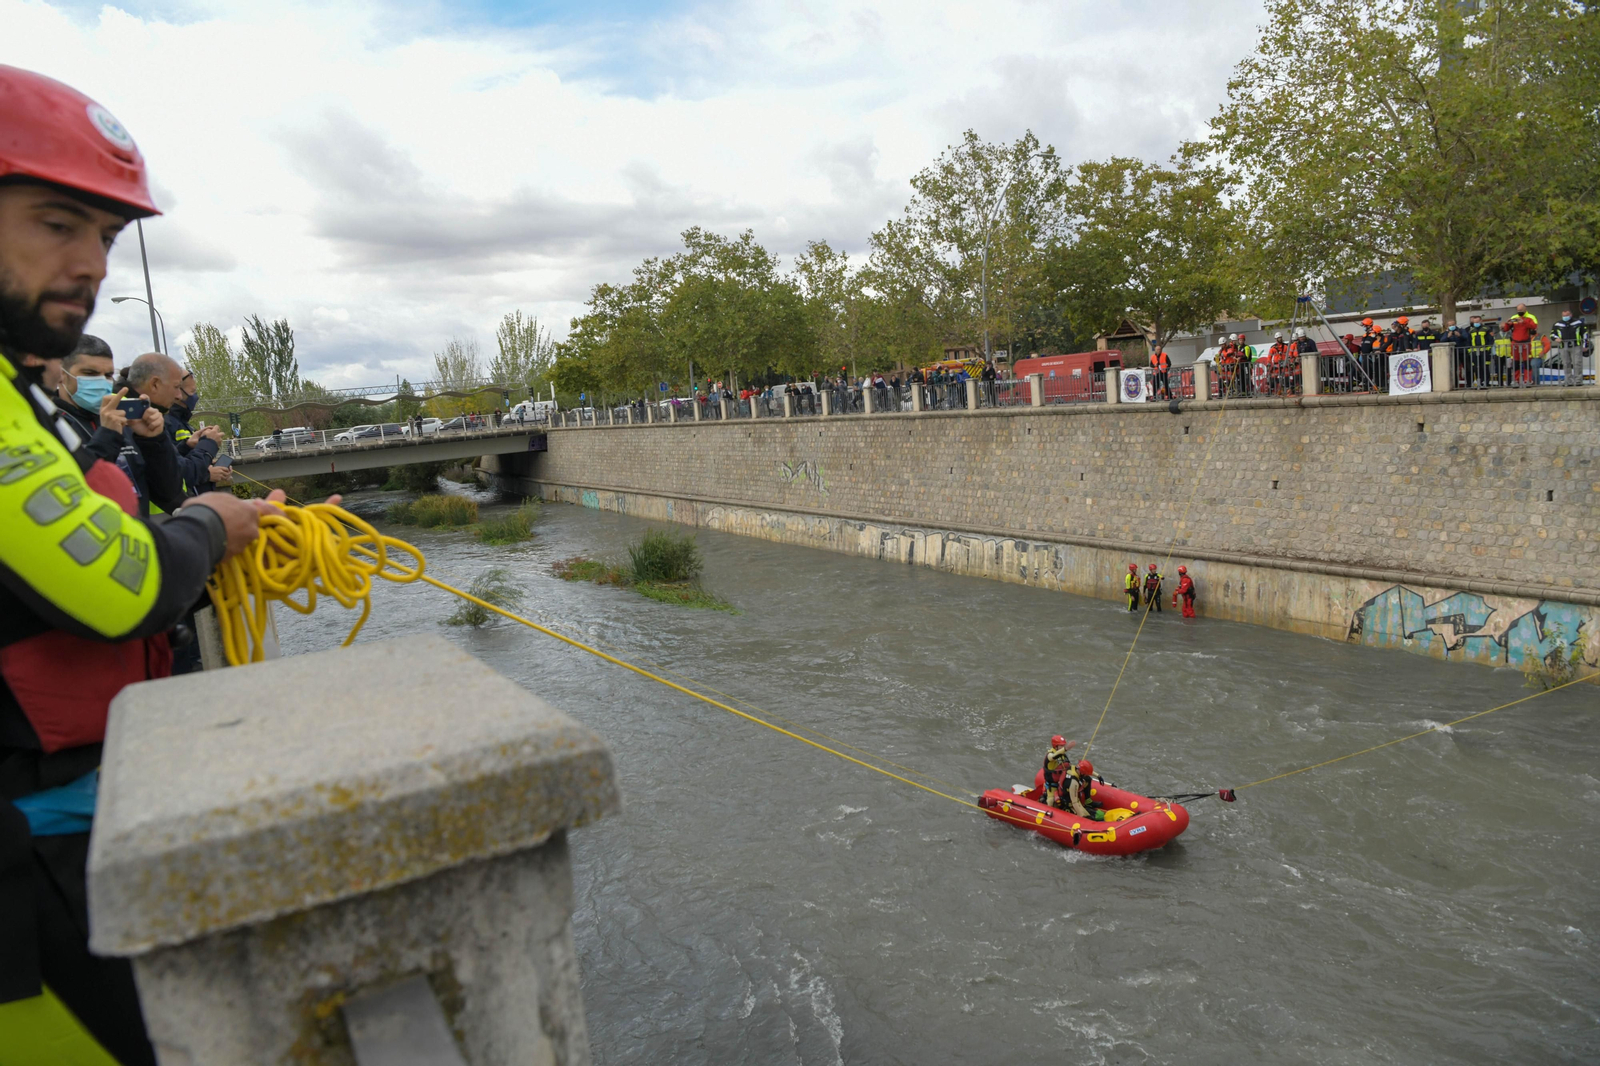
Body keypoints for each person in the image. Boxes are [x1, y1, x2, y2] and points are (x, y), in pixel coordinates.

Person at [0, 63, 297, 1065]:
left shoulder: (18, 395)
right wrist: (214, 521)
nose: (89, 260)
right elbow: (118, 583)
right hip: (28, 855)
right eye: (54, 222)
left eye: (108, 234)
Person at [54, 335, 184, 516]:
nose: (101, 382)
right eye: (90, 374)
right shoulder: (48, 423)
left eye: (108, 375)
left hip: (135, 536)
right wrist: (107, 435)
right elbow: (72, 494)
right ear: (61, 374)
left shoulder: (126, 421)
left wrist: (154, 440)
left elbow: (169, 493)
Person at [1502, 304, 1539, 385]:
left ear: (1525, 309)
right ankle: (1516, 380)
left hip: (1526, 342)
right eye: (1518, 311)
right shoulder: (1514, 317)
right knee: (1515, 362)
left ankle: (1527, 380)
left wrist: (1524, 322)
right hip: (1515, 342)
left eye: (1521, 311)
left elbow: (1534, 326)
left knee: (1527, 363)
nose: (1519, 313)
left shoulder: (1531, 317)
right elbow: (1505, 329)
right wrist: (1506, 324)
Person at [1549, 309, 1587, 386]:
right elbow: (1552, 334)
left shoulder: (1578, 322)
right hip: (1563, 346)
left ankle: (1578, 380)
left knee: (1577, 363)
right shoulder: (1557, 324)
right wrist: (1556, 338)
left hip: (1576, 345)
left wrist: (1585, 345)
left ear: (1571, 315)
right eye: (1564, 316)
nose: (1565, 317)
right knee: (1566, 363)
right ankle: (1568, 380)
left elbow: (1585, 334)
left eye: (1567, 315)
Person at [1041, 735, 1075, 808]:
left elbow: (1068, 766)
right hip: (1052, 785)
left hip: (1062, 783)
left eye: (1064, 745)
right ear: (1055, 746)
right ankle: (1047, 808)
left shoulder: (1063, 756)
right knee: (1051, 801)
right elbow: (1053, 757)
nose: (1063, 747)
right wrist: (1065, 749)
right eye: (1061, 746)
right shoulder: (1050, 755)